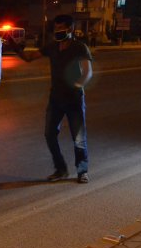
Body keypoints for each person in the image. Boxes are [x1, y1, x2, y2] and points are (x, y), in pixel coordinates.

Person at [14, 14, 93, 184]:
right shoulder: (52, 47)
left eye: (60, 28)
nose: (57, 31)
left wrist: (79, 85)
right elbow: (29, 58)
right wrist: (16, 48)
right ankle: (61, 169)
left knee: (79, 138)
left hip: (74, 100)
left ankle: (82, 171)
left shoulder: (80, 47)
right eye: (55, 28)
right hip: (56, 99)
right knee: (49, 134)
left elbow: (88, 71)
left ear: (70, 29)